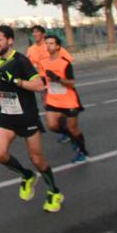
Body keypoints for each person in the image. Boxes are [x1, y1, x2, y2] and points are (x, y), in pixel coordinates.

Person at [0, 25, 63, 213]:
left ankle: (54, 192)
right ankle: (26, 175)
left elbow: (39, 86)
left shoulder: (21, 61)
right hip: (7, 115)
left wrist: (15, 81)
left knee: (37, 159)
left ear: (10, 41)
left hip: (27, 116)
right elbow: (3, 79)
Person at [40, 34, 88, 163]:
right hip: (53, 100)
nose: (48, 46)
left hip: (69, 101)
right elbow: (43, 81)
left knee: (73, 129)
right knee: (51, 126)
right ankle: (71, 137)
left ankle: (82, 152)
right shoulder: (43, 62)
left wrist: (57, 78)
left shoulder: (64, 64)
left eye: (51, 44)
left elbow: (71, 83)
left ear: (58, 46)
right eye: (47, 43)